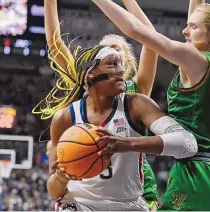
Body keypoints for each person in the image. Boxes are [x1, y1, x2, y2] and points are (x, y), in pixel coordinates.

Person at [91, 0, 210, 210]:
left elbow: (135, 30)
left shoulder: (197, 59)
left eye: (193, 27)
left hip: (197, 172)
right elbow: (196, 9)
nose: (185, 31)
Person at [39, 45, 197, 211]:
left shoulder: (136, 105)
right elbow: (54, 192)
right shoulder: (65, 118)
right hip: (79, 203)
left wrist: (127, 144)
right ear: (90, 73)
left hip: (128, 204)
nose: (121, 70)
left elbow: (188, 144)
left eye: (121, 64)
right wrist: (61, 178)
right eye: (112, 64)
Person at [38, 0, 160, 209]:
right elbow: (55, 45)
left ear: (127, 62)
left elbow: (150, 39)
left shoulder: (136, 92)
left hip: (131, 189)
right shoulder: (85, 83)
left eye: (116, 49)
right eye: (103, 50)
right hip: (86, 192)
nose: (109, 53)